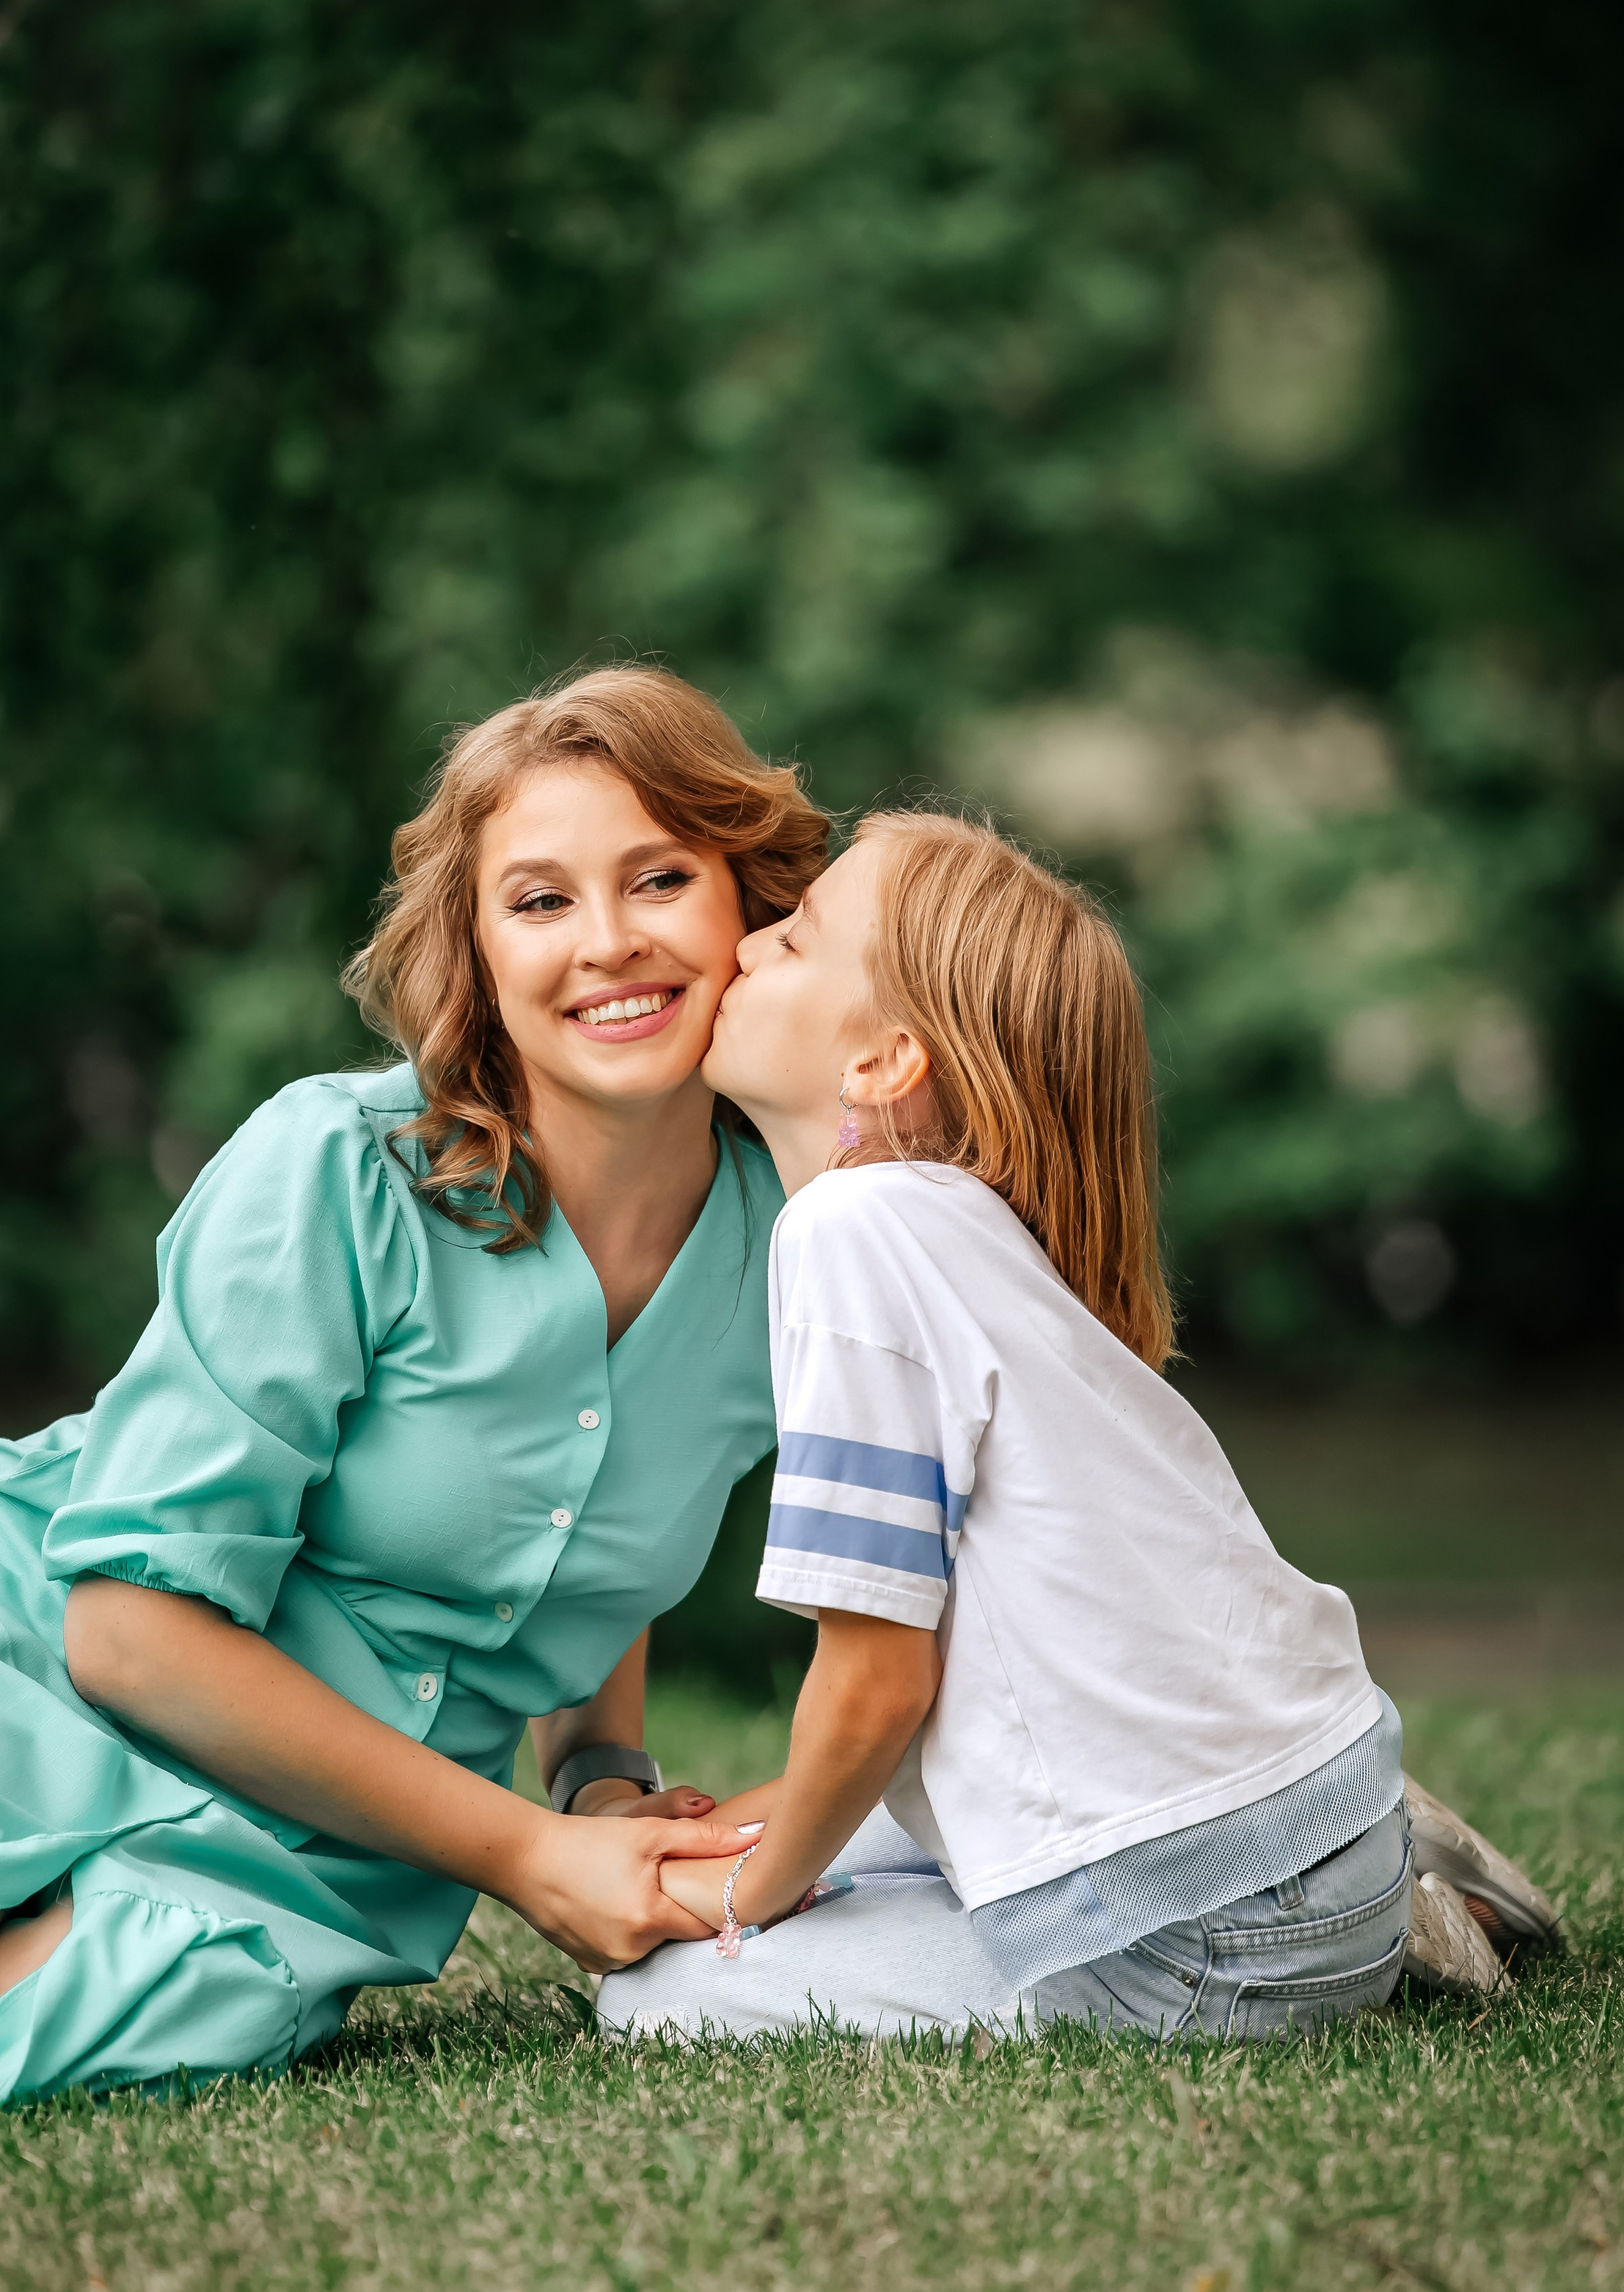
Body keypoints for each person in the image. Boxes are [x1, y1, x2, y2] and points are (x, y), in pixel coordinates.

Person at [0, 667, 830, 2110]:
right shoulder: (340, 1169)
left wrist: (600, 1781)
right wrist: (527, 1854)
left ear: (750, 901)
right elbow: (127, 1633)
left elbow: (594, 1537)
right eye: (539, 901)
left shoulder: (802, 1239)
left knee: (27, 2027)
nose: (608, 942)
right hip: (37, 1657)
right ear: (476, 952)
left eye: (659, 879)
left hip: (314, 1841)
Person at [600, 813, 1557, 2046]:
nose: (744, 946)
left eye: (794, 939)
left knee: (657, 1990)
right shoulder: (954, 1225)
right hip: (1308, 1805)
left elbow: (881, 1685)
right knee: (755, 1835)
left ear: (885, 1061)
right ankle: (1382, 1875)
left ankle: (1345, 1921)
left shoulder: (847, 1235)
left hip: (1200, 1942)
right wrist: (742, 1835)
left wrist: (746, 1894)